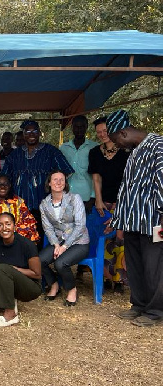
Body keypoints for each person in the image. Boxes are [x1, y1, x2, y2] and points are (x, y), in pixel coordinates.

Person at [105, 110, 163, 326]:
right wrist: (119, 219)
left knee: (154, 266)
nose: (116, 146)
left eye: (115, 141)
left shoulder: (158, 145)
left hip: (153, 221)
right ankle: (139, 304)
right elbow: (127, 189)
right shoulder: (134, 152)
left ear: (123, 133)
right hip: (132, 221)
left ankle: (156, 311)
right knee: (135, 265)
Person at [1, 120, 74, 242]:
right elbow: (4, 177)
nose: (31, 134)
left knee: (38, 236)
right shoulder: (15, 154)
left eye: (34, 131)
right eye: (28, 131)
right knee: (19, 237)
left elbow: (65, 170)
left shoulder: (51, 151)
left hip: (43, 203)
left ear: (39, 133)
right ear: (23, 134)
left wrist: (54, 185)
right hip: (19, 204)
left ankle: (37, 259)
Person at [0, 212, 42, 327]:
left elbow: (37, 274)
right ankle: (10, 299)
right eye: (0, 225)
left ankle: (10, 315)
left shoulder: (27, 245)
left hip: (30, 286)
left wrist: (14, 269)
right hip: (7, 280)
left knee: (4, 268)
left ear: (14, 226)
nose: (4, 228)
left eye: (8, 224)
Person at [88, 116, 130, 291]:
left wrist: (121, 203)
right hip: (103, 202)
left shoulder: (126, 151)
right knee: (104, 240)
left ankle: (120, 280)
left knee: (120, 239)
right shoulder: (95, 153)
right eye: (99, 132)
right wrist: (98, 200)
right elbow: (96, 178)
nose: (102, 134)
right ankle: (105, 278)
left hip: (123, 201)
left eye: (105, 130)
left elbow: (129, 180)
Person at [39, 170, 89, 306]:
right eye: (55, 179)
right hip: (59, 241)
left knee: (60, 263)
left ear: (65, 183)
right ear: (49, 183)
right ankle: (54, 284)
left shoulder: (75, 198)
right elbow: (48, 228)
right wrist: (56, 245)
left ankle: (72, 289)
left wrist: (64, 246)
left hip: (79, 242)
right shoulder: (44, 204)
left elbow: (80, 225)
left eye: (62, 179)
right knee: (39, 260)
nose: (58, 182)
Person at [59, 115, 99, 211]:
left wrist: (93, 198)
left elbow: (97, 174)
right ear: (72, 127)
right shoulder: (64, 148)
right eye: (76, 127)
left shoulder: (95, 147)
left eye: (82, 127)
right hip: (66, 196)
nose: (79, 129)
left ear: (86, 127)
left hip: (87, 197)